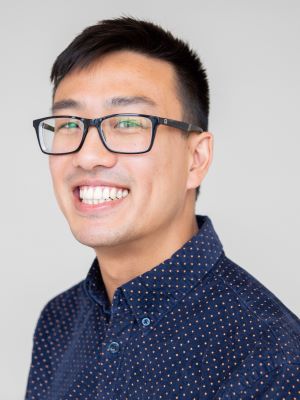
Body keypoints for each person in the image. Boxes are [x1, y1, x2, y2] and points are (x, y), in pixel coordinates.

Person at [25, 16, 300, 400]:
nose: (87, 155)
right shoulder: (59, 322)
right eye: (68, 124)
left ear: (196, 158)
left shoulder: (272, 359)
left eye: (127, 122)